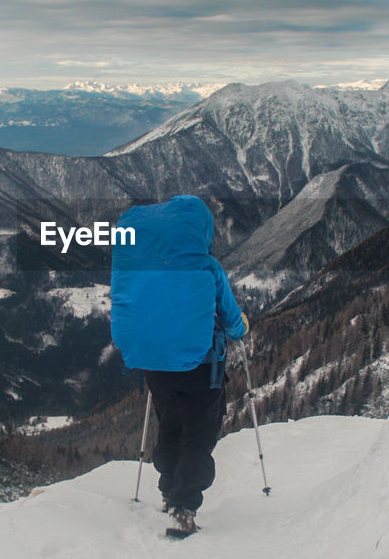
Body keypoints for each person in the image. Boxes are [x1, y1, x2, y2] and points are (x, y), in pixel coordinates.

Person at [110, 195, 248, 538]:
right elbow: (232, 320)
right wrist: (241, 328)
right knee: (199, 432)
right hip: (203, 366)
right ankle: (184, 507)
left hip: (155, 366)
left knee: (170, 424)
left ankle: (168, 489)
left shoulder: (137, 267)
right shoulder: (207, 267)